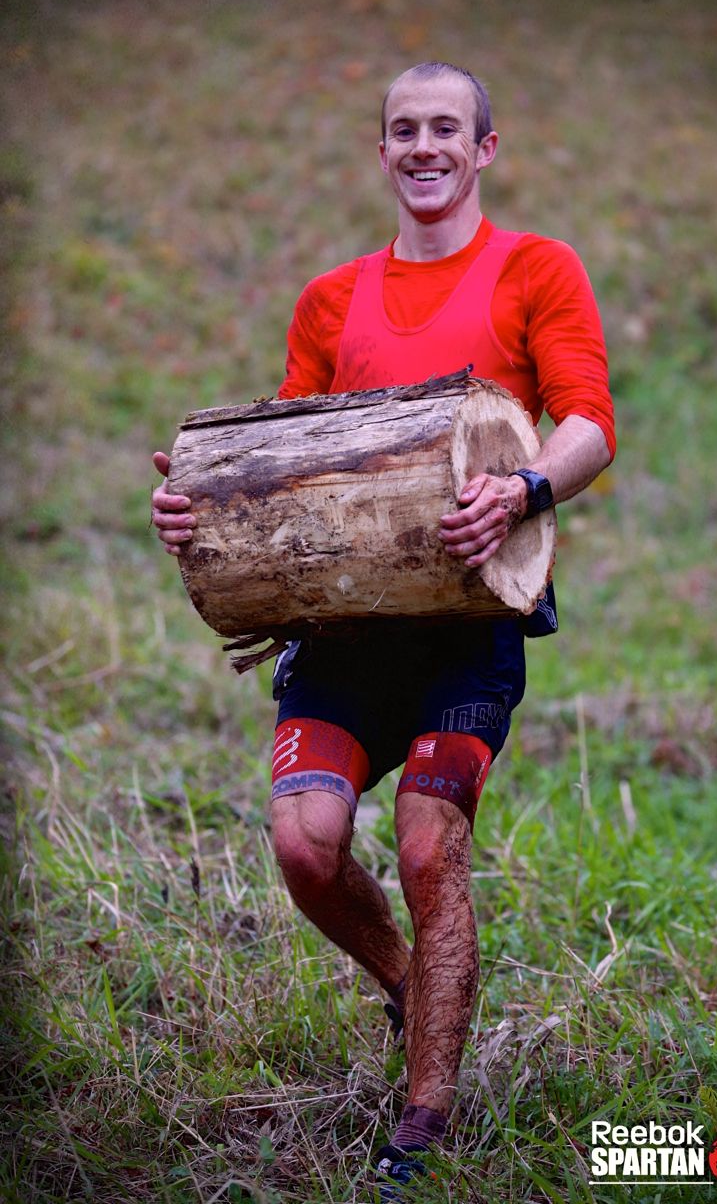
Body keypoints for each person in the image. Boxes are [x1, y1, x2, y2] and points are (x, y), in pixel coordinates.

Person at [152, 61, 615, 1199]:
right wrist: (202, 504)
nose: (423, 146)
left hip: (466, 631)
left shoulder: (533, 267)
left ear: (483, 149)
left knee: (425, 845)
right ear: (381, 151)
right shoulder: (331, 297)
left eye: (444, 129)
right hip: (344, 631)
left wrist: (523, 492)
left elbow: (590, 422)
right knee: (305, 844)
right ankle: (414, 983)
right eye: (402, 129)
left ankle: (422, 1116)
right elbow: (285, 452)